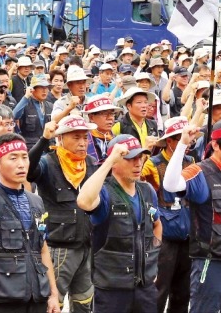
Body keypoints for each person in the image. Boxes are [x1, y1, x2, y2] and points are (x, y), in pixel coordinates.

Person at [0, 115, 60, 313]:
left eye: (24, 157)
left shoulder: (36, 201)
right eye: (13, 158)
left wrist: (53, 293)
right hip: (1, 299)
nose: (21, 164)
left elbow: (42, 249)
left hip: (36, 297)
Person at [77, 134, 161, 313]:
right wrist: (108, 161)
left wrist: (153, 261)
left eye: (140, 157)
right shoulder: (105, 192)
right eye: (131, 159)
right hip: (112, 289)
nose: (138, 163)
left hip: (144, 288)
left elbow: (157, 224)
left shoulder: (147, 190)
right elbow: (83, 201)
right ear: (115, 162)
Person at [162, 120, 221, 312]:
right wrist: (182, 145)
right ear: (216, 146)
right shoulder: (200, 171)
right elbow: (170, 185)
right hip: (212, 262)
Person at [27, 115, 98, 312]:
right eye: (76, 137)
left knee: (84, 302)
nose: (82, 143)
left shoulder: (90, 163)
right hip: (59, 248)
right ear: (61, 139)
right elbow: (28, 170)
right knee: (52, 303)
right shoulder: (48, 162)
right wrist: (43, 139)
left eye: (85, 137)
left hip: (86, 245)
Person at [140, 117, 194, 313]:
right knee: (159, 288)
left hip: (187, 232)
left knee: (183, 291)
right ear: (170, 141)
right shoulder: (152, 164)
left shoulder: (191, 161)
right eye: (180, 139)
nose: (187, 143)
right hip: (164, 236)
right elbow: (144, 196)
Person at [14, 74, 54, 151]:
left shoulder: (50, 106)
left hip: (48, 148)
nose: (44, 91)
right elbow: (14, 116)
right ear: (33, 89)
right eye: (41, 87)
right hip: (30, 149)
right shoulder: (25, 104)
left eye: (46, 88)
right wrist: (26, 97)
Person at [83, 95, 122, 164]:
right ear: (91, 117)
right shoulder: (83, 141)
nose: (110, 118)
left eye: (112, 114)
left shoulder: (116, 139)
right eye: (105, 114)